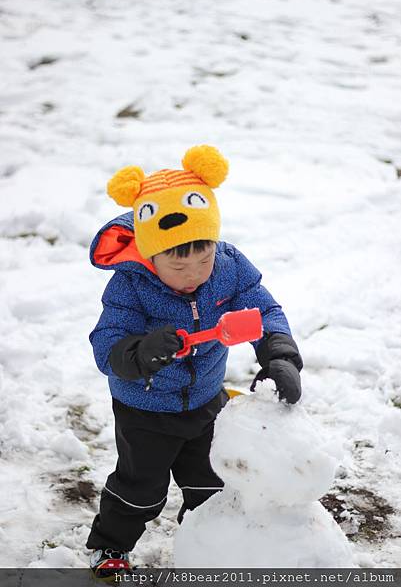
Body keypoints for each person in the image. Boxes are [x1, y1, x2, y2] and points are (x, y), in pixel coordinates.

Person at [86, 145, 303, 579]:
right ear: (151, 255)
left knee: (210, 483)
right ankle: (109, 545)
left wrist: (280, 356)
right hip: (144, 408)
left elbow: (264, 312)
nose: (194, 275)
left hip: (206, 400)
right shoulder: (129, 286)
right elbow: (105, 345)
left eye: (203, 261)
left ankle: (204, 542)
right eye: (178, 266)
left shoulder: (228, 266)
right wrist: (140, 351)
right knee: (142, 489)